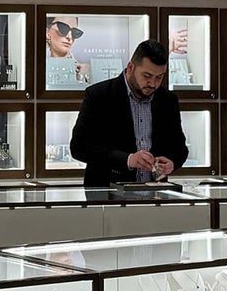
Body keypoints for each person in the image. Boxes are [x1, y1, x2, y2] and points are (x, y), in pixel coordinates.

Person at [69, 39, 188, 188]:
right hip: (108, 194)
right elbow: (79, 147)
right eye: (147, 76)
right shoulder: (99, 95)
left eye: (159, 77)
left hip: (156, 196)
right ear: (131, 67)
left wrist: (172, 163)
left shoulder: (167, 100)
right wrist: (128, 159)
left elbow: (180, 148)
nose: (153, 84)